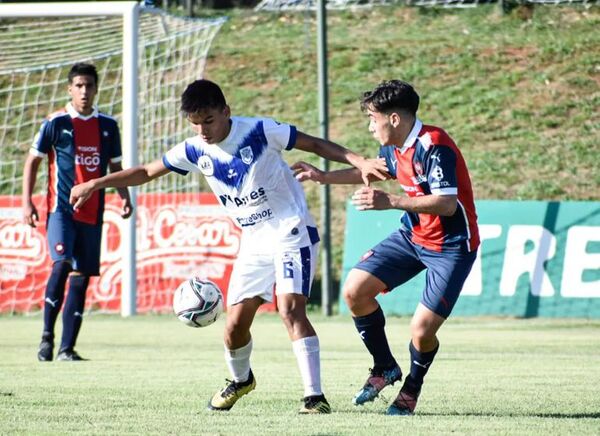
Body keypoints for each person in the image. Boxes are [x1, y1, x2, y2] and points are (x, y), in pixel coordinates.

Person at [69, 79, 387, 413]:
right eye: (195, 123)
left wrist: (359, 160)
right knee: (234, 327)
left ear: (226, 112)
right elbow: (147, 171)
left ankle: (314, 397)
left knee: (290, 309)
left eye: (208, 120)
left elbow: (315, 144)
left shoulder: (260, 131)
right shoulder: (193, 149)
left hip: (290, 229)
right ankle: (241, 381)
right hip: (254, 241)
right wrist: (95, 182)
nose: (203, 130)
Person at [292, 80, 480, 416]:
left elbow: (448, 204)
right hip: (413, 237)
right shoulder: (393, 148)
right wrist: (323, 176)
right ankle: (384, 367)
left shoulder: (433, 144)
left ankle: (411, 388)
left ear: (394, 119)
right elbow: (372, 172)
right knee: (354, 292)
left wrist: (391, 201)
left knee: (421, 331)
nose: (369, 126)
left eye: (372, 119)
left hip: (452, 246)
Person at [22, 63, 133, 362]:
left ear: (97, 89)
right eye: (79, 86)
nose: (84, 91)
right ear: (70, 89)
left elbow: (116, 168)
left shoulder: (108, 126)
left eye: (89, 86)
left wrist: (125, 197)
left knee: (82, 278)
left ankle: (66, 349)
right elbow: (32, 161)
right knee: (61, 265)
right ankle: (47, 337)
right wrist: (26, 201)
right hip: (61, 211)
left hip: (93, 212)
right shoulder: (55, 123)